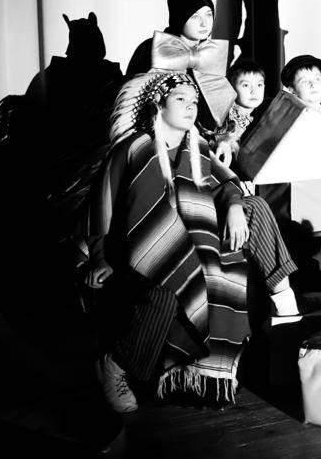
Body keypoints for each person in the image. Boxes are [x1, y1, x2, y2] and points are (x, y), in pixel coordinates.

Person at [83, 71, 300, 412]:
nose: (190, 107)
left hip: (199, 242)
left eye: (194, 101)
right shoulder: (134, 149)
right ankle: (116, 365)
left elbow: (226, 183)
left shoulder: (196, 146)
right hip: (148, 250)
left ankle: (284, 298)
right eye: (180, 99)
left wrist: (233, 205)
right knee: (167, 291)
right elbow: (101, 208)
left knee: (253, 206)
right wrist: (99, 257)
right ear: (158, 105)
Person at [126, 0, 236, 136]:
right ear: (179, 17)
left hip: (209, 141)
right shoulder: (154, 50)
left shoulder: (208, 53)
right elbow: (131, 105)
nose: (204, 23)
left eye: (208, 14)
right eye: (194, 16)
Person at [280, 54, 321, 127]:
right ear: (292, 89)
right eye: (304, 81)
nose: (313, 85)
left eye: (317, 79)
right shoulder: (287, 117)